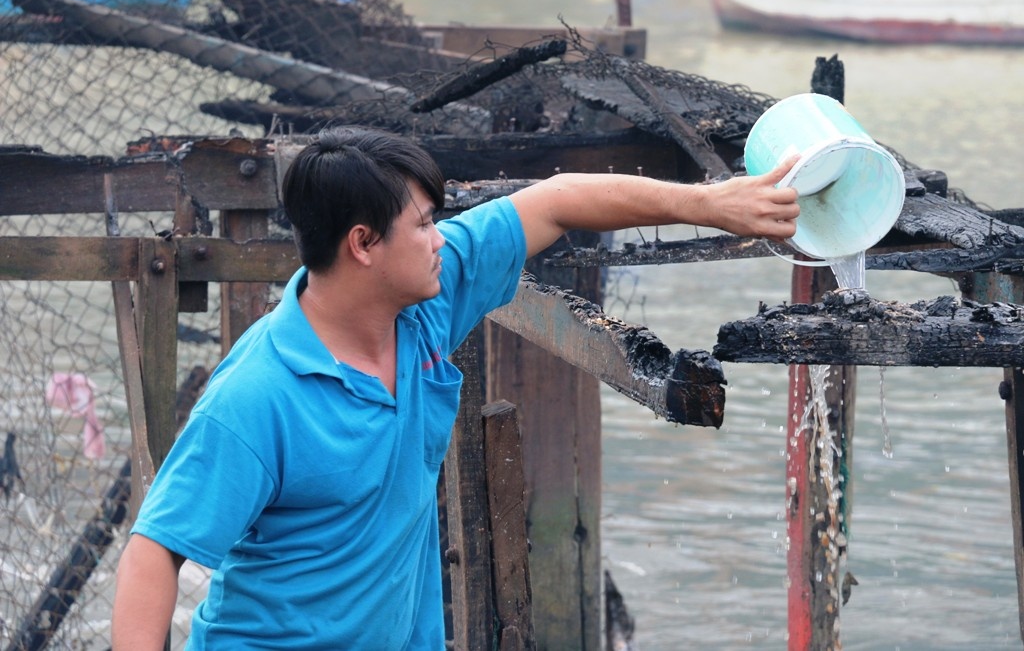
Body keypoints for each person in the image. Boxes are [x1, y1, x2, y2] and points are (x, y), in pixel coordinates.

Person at [111, 125, 799, 650]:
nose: (442, 238)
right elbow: (154, 551)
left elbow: (558, 201)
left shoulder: (425, 305)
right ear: (363, 244)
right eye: (424, 224)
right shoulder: (257, 395)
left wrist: (714, 204)